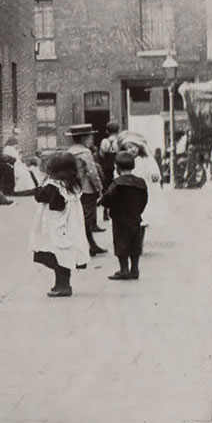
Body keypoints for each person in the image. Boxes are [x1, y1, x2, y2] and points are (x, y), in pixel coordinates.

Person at [29, 150, 89, 297]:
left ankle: (63, 286)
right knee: (65, 255)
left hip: (55, 227)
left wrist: (41, 185)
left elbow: (40, 197)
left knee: (56, 255)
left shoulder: (53, 186)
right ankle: (61, 284)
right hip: (70, 224)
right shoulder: (72, 184)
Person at [99, 151, 148, 281]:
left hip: (120, 220)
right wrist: (138, 211)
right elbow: (144, 200)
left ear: (117, 167)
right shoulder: (141, 182)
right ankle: (135, 269)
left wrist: (103, 203)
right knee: (135, 246)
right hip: (135, 219)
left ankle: (124, 269)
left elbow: (107, 199)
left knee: (121, 245)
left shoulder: (117, 183)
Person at [66, 123, 107, 256]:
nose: (92, 139)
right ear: (84, 138)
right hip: (87, 189)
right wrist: (100, 189)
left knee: (80, 218)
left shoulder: (69, 152)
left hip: (74, 189)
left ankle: (92, 245)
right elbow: (92, 173)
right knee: (86, 220)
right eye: (90, 137)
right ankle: (83, 247)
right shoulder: (85, 152)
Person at [119, 130, 168, 231]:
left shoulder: (145, 158)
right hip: (132, 187)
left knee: (144, 209)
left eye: (132, 147)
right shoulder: (127, 160)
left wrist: (154, 175)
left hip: (145, 186)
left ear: (138, 146)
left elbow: (153, 168)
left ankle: (141, 228)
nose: (130, 150)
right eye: (127, 148)